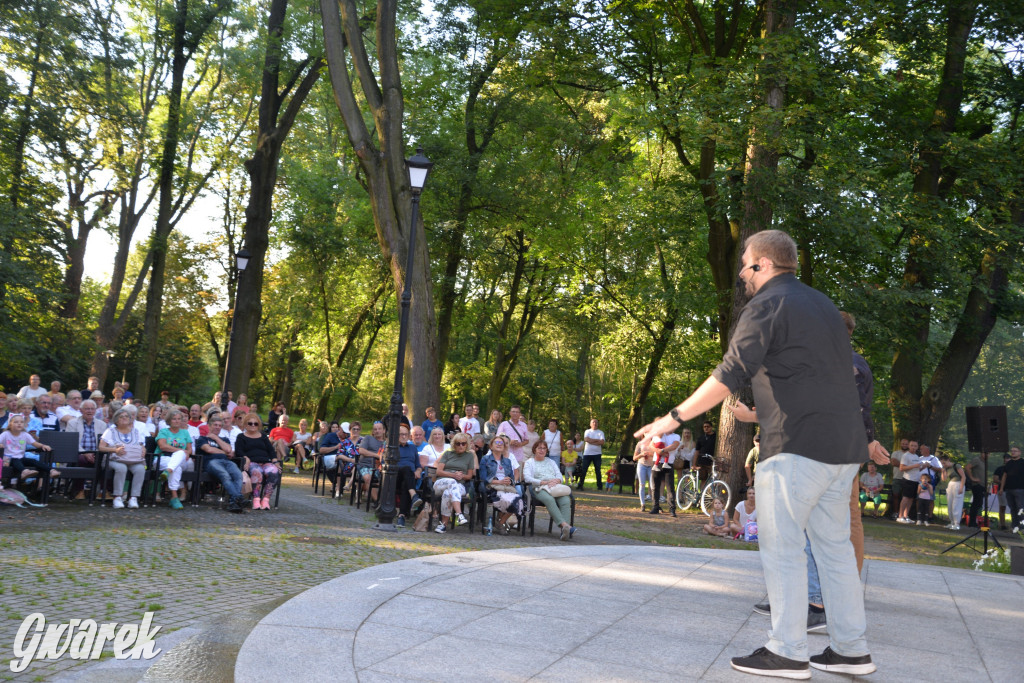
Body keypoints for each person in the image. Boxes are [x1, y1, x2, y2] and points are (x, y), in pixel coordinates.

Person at [635, 230, 875, 678]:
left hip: (796, 448)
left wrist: (670, 419)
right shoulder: (824, 306)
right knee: (835, 551)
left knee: (783, 547)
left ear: (763, 265)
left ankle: (787, 651)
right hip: (844, 451)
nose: (743, 275)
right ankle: (850, 650)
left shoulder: (767, 304)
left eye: (745, 267)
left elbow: (730, 373)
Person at [523, 440, 575, 540]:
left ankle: (565, 530)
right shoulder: (529, 462)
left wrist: (557, 480)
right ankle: (565, 526)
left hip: (554, 486)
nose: (542, 450)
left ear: (546, 450)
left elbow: (560, 475)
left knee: (565, 500)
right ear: (534, 450)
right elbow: (527, 478)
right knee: (549, 499)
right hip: (539, 488)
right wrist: (543, 482)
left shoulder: (551, 461)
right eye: (539, 448)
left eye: (544, 448)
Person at [195, 413, 246, 512]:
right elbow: (209, 450)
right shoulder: (203, 439)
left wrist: (216, 438)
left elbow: (229, 449)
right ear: (209, 426)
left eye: (219, 425)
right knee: (225, 475)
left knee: (238, 475)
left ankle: (234, 502)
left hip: (226, 462)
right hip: (211, 462)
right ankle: (238, 498)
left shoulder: (224, 439)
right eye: (215, 425)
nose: (217, 427)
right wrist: (224, 452)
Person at [98, 407, 147, 509]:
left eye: (126, 416)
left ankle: (133, 498)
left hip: (133, 459)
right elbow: (101, 447)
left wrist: (143, 450)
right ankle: (117, 497)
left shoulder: (135, 431)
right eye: (121, 417)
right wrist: (114, 450)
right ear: (116, 420)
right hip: (113, 459)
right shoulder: (110, 431)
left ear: (130, 419)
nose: (124, 418)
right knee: (121, 468)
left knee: (140, 469)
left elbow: (141, 445)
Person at [479, 435, 524, 535]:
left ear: (504, 447)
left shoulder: (507, 461)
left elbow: (512, 477)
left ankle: (500, 522)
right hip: (493, 488)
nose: (499, 445)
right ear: (491, 446)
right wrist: (499, 482)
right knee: (508, 500)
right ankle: (501, 523)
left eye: (501, 443)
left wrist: (510, 481)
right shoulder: (485, 459)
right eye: (497, 443)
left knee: (519, 502)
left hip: (507, 488)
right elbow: (483, 478)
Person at [235, 413, 280, 509]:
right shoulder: (241, 437)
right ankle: (256, 499)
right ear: (245, 424)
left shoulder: (263, 436)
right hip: (252, 462)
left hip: (265, 461)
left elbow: (271, 451)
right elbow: (239, 451)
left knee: (274, 472)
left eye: (255, 424)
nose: (253, 425)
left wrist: (275, 462)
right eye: (250, 423)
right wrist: (246, 458)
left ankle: (266, 499)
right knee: (257, 472)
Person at [65, 399, 108, 500]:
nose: (90, 411)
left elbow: (105, 442)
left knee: (108, 461)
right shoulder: (73, 423)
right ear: (81, 410)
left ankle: (103, 491)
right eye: (87, 409)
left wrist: (96, 453)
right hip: (78, 453)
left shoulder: (102, 424)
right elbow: (71, 442)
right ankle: (79, 490)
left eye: (92, 409)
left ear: (95, 410)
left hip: (97, 454)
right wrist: (85, 453)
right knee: (81, 460)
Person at [433, 433, 475, 533]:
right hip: (441, 482)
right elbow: (438, 471)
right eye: (458, 443)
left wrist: (461, 476)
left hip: (459, 484)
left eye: (463, 444)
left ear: (467, 444)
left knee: (448, 493)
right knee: (452, 482)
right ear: (454, 444)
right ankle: (459, 513)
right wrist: (453, 475)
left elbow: (469, 476)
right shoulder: (447, 453)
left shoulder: (469, 456)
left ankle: (443, 525)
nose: (461, 446)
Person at [155, 409, 194, 509]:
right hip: (162, 458)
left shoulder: (185, 433)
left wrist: (184, 452)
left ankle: (168, 471)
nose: (177, 421)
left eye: (179, 419)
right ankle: (174, 497)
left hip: (179, 460)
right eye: (174, 419)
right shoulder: (163, 431)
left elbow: (189, 450)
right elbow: (163, 446)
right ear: (169, 420)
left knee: (178, 459)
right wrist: (180, 450)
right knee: (177, 467)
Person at [0, 414, 53, 483]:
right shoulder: (5, 434)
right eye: (16, 422)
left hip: (20, 458)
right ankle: (24, 471)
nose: (19, 424)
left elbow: (35, 444)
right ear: (10, 424)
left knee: (33, 461)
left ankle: (51, 470)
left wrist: (43, 446)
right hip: (8, 459)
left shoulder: (25, 434)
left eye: (21, 422)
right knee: (16, 461)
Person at [394, 424, 423, 528]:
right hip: (394, 477)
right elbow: (385, 464)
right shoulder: (392, 447)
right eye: (401, 434)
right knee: (407, 469)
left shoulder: (412, 447)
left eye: (406, 434)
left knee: (406, 483)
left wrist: (418, 471)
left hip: (410, 478)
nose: (404, 436)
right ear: (396, 435)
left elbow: (418, 466)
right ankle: (414, 495)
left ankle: (401, 516)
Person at [356, 421, 386, 503]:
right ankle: (378, 503)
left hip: (380, 469)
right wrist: (377, 455)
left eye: (379, 429)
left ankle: (383, 501)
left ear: (384, 430)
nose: (377, 431)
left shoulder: (386, 443)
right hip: (365, 466)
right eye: (375, 429)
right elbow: (361, 450)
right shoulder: (368, 438)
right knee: (368, 478)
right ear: (373, 431)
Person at [650, 436, 678, 517]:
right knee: (655, 486)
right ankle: (655, 507)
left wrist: (662, 450)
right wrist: (658, 451)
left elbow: (674, 446)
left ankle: (672, 509)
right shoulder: (657, 436)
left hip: (668, 464)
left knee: (670, 487)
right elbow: (651, 446)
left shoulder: (676, 436)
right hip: (657, 463)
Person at [897, 440, 923, 523]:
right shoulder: (906, 456)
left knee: (911, 499)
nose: (913, 447)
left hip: (915, 480)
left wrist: (923, 466)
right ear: (909, 446)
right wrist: (914, 465)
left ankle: (906, 516)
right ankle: (900, 516)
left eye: (915, 446)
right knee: (905, 498)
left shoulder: (916, 456)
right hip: (908, 480)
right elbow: (901, 468)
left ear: (917, 447)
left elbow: (917, 469)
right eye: (912, 445)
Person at [1000, 446, 1024, 529]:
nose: (1013, 452)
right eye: (1012, 451)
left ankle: (1022, 527)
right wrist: (1001, 488)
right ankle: (1015, 526)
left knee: (1020, 508)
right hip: (1009, 489)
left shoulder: (1022, 462)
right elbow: (1004, 475)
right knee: (1012, 508)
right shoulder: (1009, 463)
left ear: (1019, 452)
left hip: (1020, 489)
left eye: (1015, 451)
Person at [578, 418, 605, 491]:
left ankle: (599, 487)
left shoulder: (600, 432)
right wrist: (597, 440)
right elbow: (586, 440)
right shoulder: (587, 431)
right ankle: (580, 485)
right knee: (584, 470)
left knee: (598, 470)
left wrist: (592, 441)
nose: (595, 424)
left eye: (596, 422)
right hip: (587, 454)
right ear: (590, 424)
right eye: (593, 422)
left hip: (597, 454)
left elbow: (602, 442)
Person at [964, 452, 987, 527]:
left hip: (983, 485)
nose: (986, 455)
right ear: (981, 453)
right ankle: (972, 522)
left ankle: (974, 521)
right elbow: (967, 467)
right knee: (976, 503)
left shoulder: (985, 462)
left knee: (979, 503)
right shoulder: (977, 460)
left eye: (988, 453)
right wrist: (972, 478)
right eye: (985, 453)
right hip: (977, 485)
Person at [633, 439, 654, 509]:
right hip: (642, 465)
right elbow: (634, 458)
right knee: (642, 484)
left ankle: (655, 504)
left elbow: (659, 455)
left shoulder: (654, 442)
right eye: (646, 432)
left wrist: (650, 454)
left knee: (652, 485)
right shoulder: (640, 443)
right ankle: (642, 504)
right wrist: (641, 454)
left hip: (651, 466)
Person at [993, 452, 1010, 530]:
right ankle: (1003, 525)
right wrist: (1002, 483)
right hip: (1002, 490)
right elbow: (995, 479)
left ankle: (1015, 525)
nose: (1006, 460)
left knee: (1015, 508)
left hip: (1012, 490)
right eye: (1005, 458)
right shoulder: (999, 469)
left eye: (1008, 458)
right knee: (1002, 507)